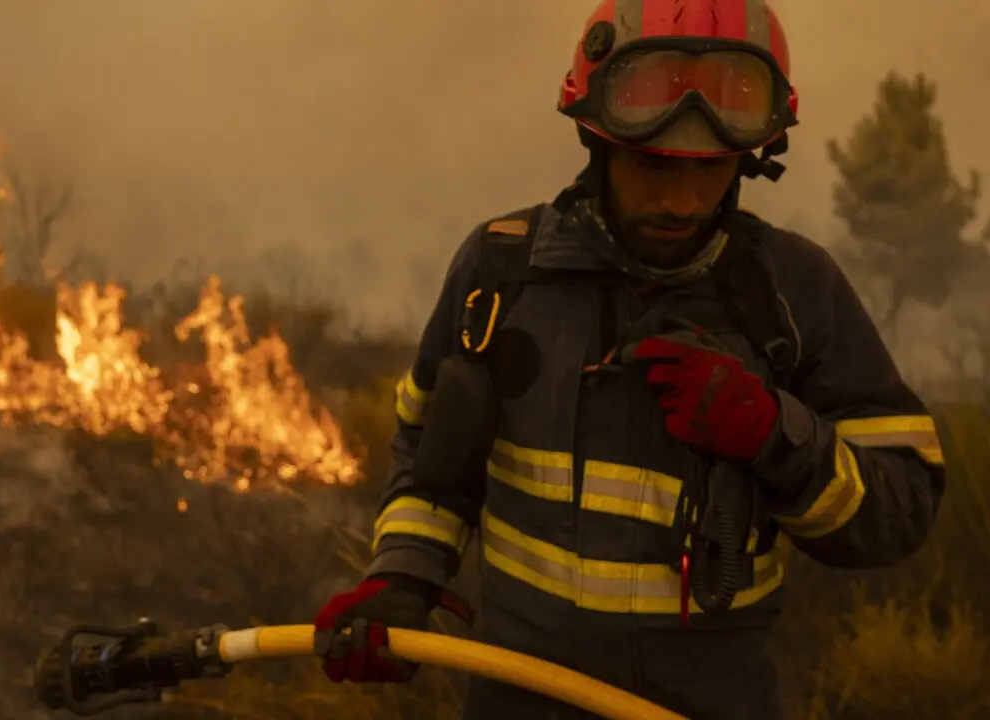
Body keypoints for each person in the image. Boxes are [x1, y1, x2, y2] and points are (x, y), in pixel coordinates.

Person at [312, 0, 947, 718]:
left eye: (711, 169)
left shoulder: (796, 293)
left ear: (751, 161)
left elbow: (902, 510)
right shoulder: (499, 274)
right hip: (518, 699)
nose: (681, 200)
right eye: (652, 164)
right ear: (596, 140)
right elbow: (428, 452)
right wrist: (403, 577)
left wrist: (778, 437)